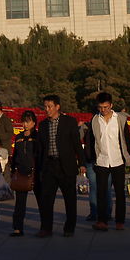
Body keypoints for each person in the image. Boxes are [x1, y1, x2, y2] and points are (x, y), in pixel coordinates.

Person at [36, 94, 86, 237]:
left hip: (66, 166)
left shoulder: (69, 122)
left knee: (69, 199)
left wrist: (81, 163)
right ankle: (46, 228)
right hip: (49, 166)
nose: (47, 109)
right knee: (46, 199)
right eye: (45, 106)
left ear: (57, 107)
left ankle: (69, 228)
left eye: (50, 106)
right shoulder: (43, 125)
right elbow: (40, 148)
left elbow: (77, 144)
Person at [86, 92, 130, 231]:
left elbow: (127, 140)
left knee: (119, 192)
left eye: (106, 107)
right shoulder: (95, 120)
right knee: (101, 192)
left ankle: (120, 221)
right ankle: (102, 221)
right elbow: (91, 141)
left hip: (118, 160)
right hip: (101, 161)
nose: (103, 110)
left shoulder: (119, 119)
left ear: (111, 105)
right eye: (100, 107)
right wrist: (89, 159)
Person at [8, 110, 41, 237]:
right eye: (24, 121)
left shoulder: (37, 137)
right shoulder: (19, 137)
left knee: (41, 201)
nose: (25, 124)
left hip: (35, 173)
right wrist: (13, 169)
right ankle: (17, 228)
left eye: (28, 121)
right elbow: (16, 154)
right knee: (19, 203)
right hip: (21, 172)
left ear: (34, 122)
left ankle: (45, 226)